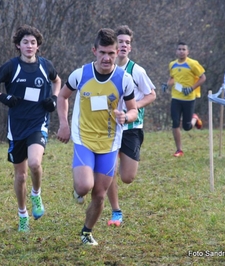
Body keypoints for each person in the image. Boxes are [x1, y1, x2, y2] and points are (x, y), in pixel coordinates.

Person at [56, 28, 138, 245]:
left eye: (111, 53)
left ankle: (86, 232)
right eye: (102, 52)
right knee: (84, 186)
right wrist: (63, 124)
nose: (107, 58)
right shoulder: (80, 74)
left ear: (117, 52)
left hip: (110, 143)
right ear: (94, 51)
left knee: (100, 195)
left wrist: (126, 117)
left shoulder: (124, 79)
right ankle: (78, 188)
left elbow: (134, 110)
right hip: (84, 139)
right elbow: (63, 97)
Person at [0, 25, 61, 232]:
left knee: (35, 163)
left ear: (38, 46)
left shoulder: (45, 66)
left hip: (38, 123)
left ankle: (36, 194)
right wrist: (3, 96)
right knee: (21, 175)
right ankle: (22, 214)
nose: (29, 45)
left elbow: (57, 81)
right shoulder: (11, 67)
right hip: (16, 127)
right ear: (18, 45)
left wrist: (53, 98)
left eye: (33, 42)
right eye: (25, 42)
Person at [106, 25, 156, 227]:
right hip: (109, 127)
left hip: (132, 128)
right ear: (114, 45)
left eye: (127, 42)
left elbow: (152, 94)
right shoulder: (105, 67)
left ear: (130, 47)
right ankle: (116, 211)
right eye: (121, 42)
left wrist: (133, 109)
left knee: (127, 177)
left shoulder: (137, 70)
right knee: (109, 170)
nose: (124, 45)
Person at [165, 41, 206, 157]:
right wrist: (167, 84)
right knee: (175, 122)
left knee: (187, 127)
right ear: (176, 51)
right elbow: (173, 78)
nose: (181, 51)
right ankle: (179, 150)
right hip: (176, 98)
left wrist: (192, 88)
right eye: (179, 49)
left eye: (184, 49)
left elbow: (203, 78)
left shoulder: (193, 64)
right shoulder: (172, 64)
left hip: (189, 99)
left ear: (188, 52)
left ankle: (195, 118)